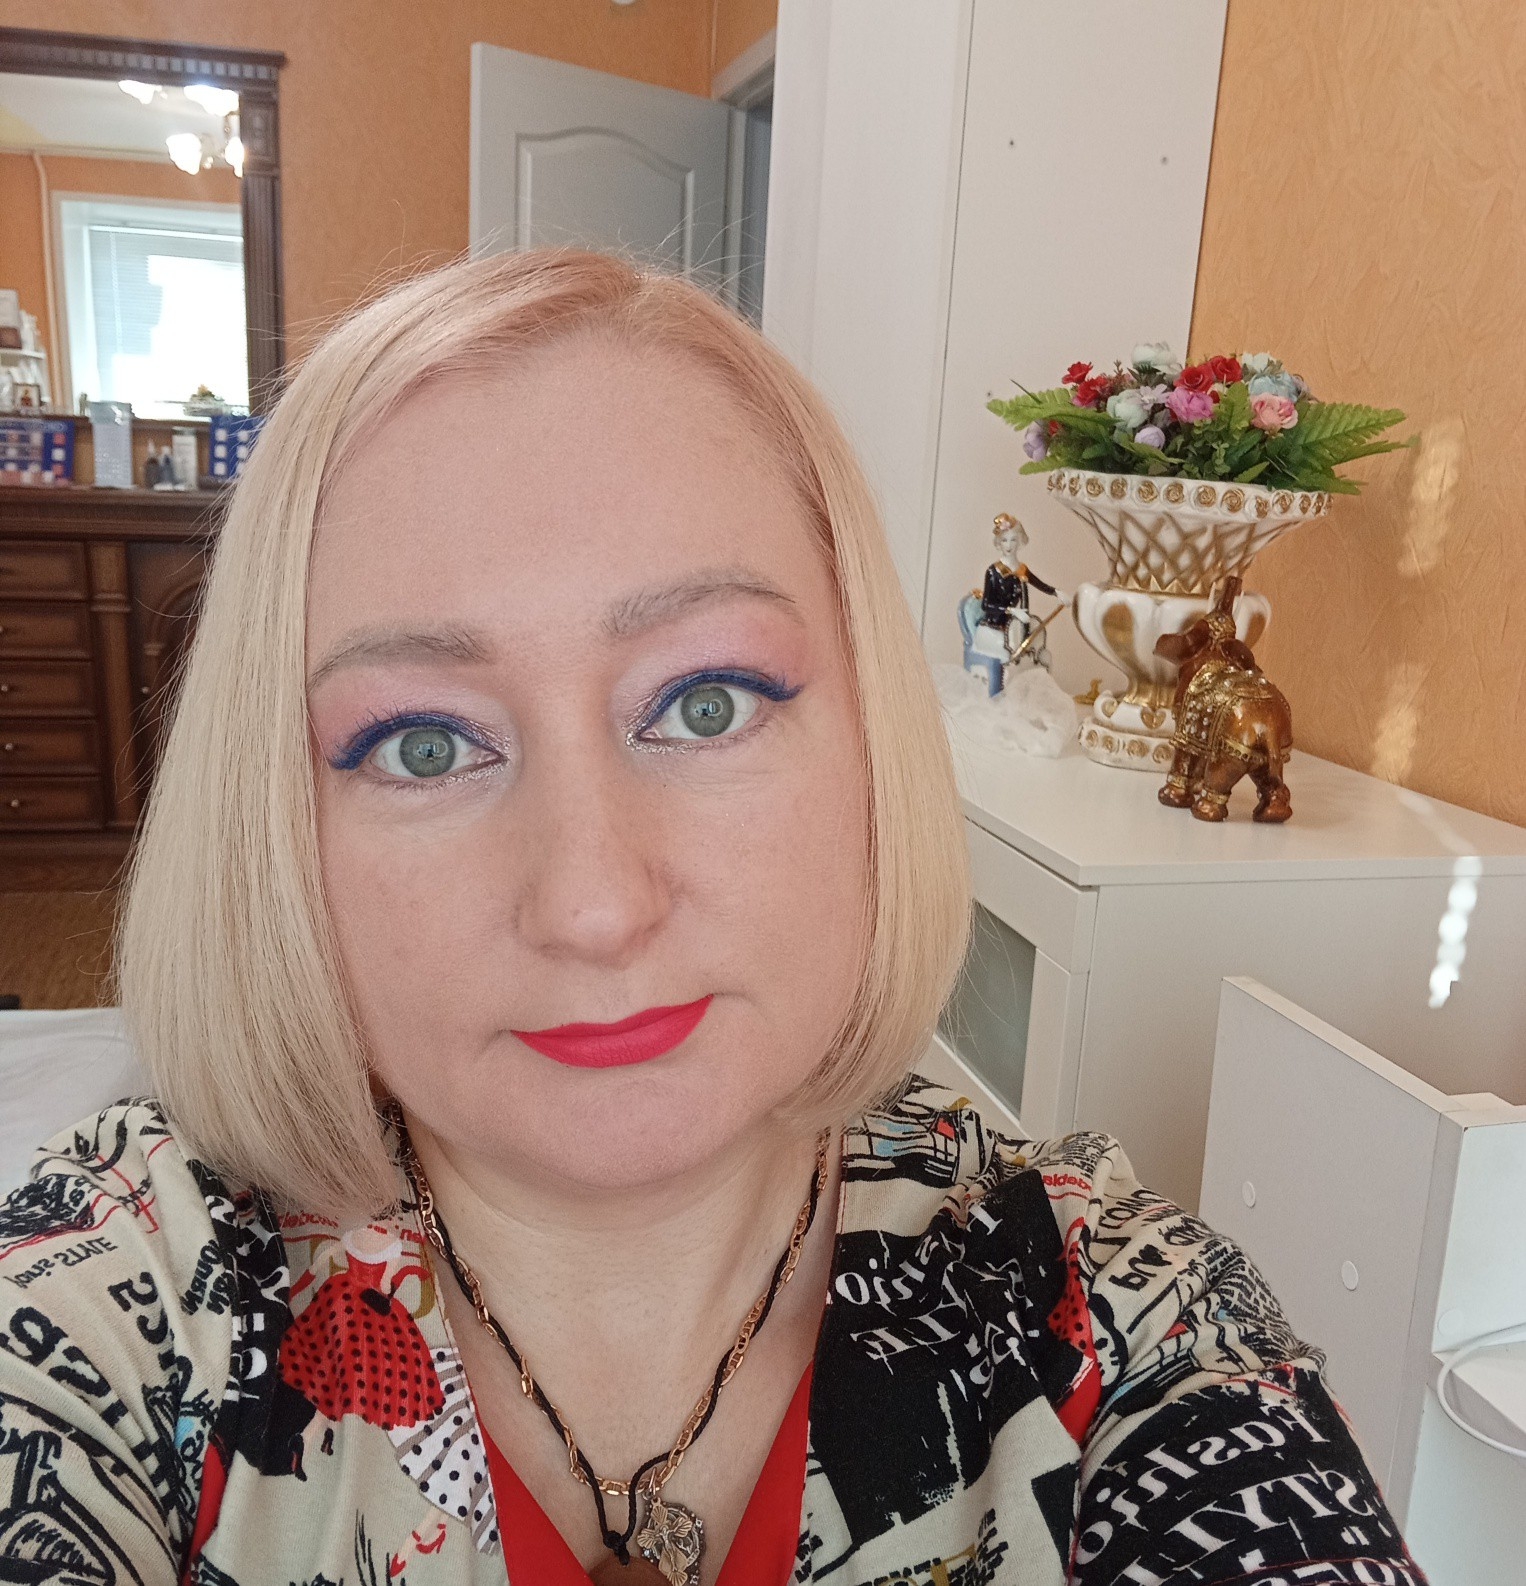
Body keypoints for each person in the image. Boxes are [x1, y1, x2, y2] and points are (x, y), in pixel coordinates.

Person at [0, 251, 1426, 1586]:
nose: (594, 904)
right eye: (424, 745)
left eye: (705, 701)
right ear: (271, 823)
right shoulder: (111, 1309)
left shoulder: (1113, 1315)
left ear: (871, 742)